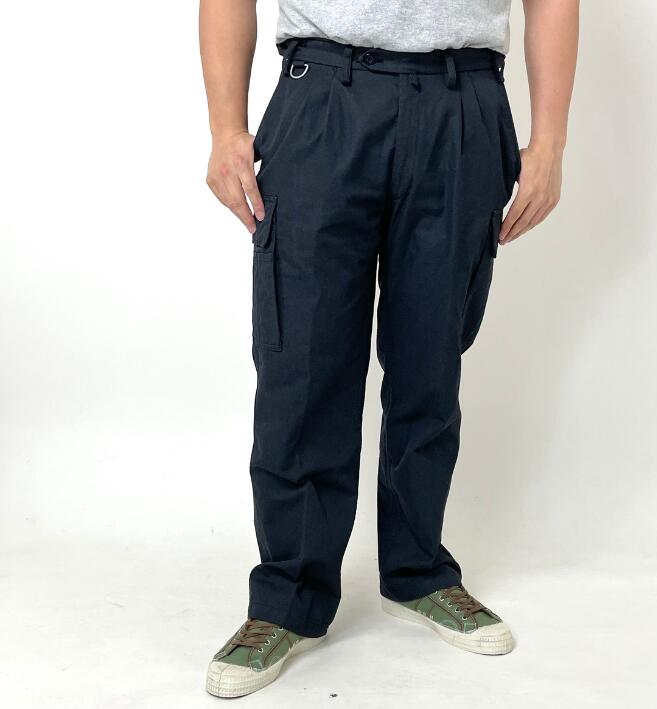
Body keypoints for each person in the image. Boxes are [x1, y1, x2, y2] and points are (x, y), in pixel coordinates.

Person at [200, 0, 578, 697]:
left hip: (462, 104)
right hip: (323, 97)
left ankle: (418, 571)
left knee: (430, 360)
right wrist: (226, 129)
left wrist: (549, 139)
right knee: (301, 364)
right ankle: (288, 595)